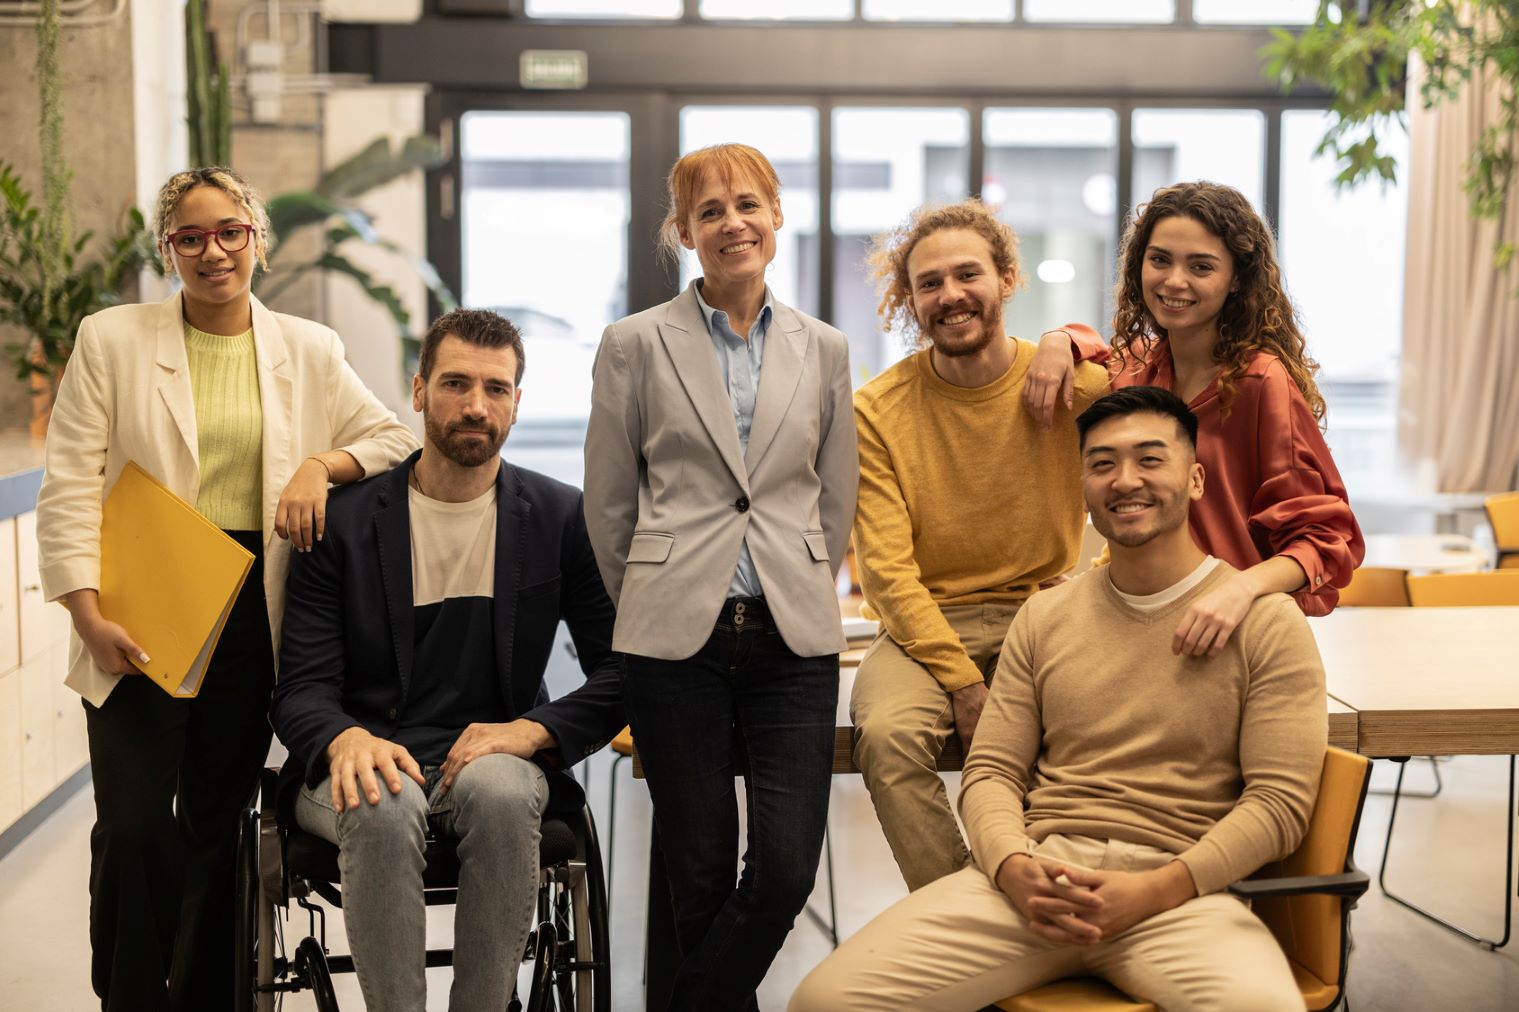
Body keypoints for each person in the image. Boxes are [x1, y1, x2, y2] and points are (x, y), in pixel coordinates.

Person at [791, 385, 1327, 1011]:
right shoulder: (1045, 617)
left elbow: (1280, 804)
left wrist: (1159, 888)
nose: (1126, 480)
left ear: (1197, 479)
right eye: (1102, 464)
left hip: (1180, 893)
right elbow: (991, 771)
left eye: (1151, 459)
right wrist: (1012, 867)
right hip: (1035, 881)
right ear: (1082, 487)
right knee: (825, 1001)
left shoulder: (1266, 622)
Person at [34, 166, 417, 1012]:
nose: (213, 252)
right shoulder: (112, 339)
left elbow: (392, 437)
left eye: (229, 233)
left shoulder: (308, 350)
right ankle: (130, 996)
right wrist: (86, 615)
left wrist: (321, 463)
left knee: (217, 825)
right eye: (191, 237)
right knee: (134, 828)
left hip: (251, 611)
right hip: (140, 604)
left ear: (257, 241)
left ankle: (208, 998)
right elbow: (68, 486)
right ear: (167, 249)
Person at [270, 307, 623, 1011]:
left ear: (517, 404)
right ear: (418, 390)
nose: (474, 405)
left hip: (493, 755)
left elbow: (620, 670)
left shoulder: (559, 519)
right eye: (456, 383)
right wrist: (344, 739)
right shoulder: (340, 525)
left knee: (496, 790)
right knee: (378, 796)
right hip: (365, 749)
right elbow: (301, 687)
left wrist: (534, 731)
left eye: (496, 389)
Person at [583, 142, 857, 1009]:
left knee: (782, 865)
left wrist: (803, 576)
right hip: (674, 638)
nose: (731, 222)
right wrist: (648, 599)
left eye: (747, 204)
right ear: (683, 233)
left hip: (791, 638)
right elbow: (609, 502)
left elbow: (833, 495)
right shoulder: (634, 344)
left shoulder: (824, 348)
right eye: (709, 212)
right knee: (696, 872)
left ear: (777, 216)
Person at [849, 198, 1110, 891]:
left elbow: (1153, 483)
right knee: (886, 736)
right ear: (908, 300)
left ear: (1005, 278)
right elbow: (885, 573)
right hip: (926, 625)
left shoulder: (1074, 386)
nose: (950, 295)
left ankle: (1072, 891)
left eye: (968, 275)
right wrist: (964, 685)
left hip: (1050, 613)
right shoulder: (875, 410)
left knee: (1092, 733)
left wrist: (1097, 578)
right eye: (929, 283)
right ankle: (965, 911)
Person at [1105, 181, 1362, 656]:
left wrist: (1240, 589)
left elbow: (1325, 540)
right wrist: (1063, 338)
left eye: (1200, 266)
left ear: (1237, 279)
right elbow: (1092, 352)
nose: (1174, 281)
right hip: (1148, 631)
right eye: (1159, 259)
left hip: (1237, 637)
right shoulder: (1136, 371)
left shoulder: (1262, 384)